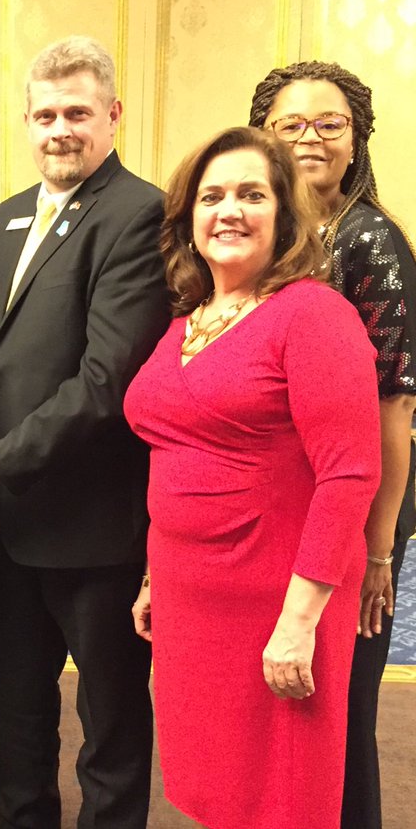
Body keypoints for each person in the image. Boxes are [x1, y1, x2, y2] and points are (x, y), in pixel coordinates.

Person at [0, 36, 168, 828]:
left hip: (99, 533)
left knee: (110, 734)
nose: (61, 129)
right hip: (15, 529)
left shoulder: (139, 213)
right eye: (46, 114)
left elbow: (106, 383)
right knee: (16, 721)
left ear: (114, 116)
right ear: (26, 119)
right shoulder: (6, 216)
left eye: (78, 113)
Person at [124, 125, 381, 827]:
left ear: (285, 214)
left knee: (278, 794)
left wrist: (300, 622)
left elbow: (350, 474)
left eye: (250, 194)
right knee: (206, 787)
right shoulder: (190, 319)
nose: (228, 210)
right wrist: (154, 574)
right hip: (190, 598)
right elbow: (175, 449)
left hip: (277, 605)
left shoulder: (313, 313)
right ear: (188, 218)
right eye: (211, 196)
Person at [247, 61, 416, 829]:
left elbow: (395, 408)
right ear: (264, 137)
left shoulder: (371, 241)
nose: (311, 137)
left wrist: (379, 549)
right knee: (283, 699)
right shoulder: (269, 235)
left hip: (351, 514)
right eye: (292, 124)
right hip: (280, 506)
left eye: (330, 124)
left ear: (356, 141)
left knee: (337, 706)